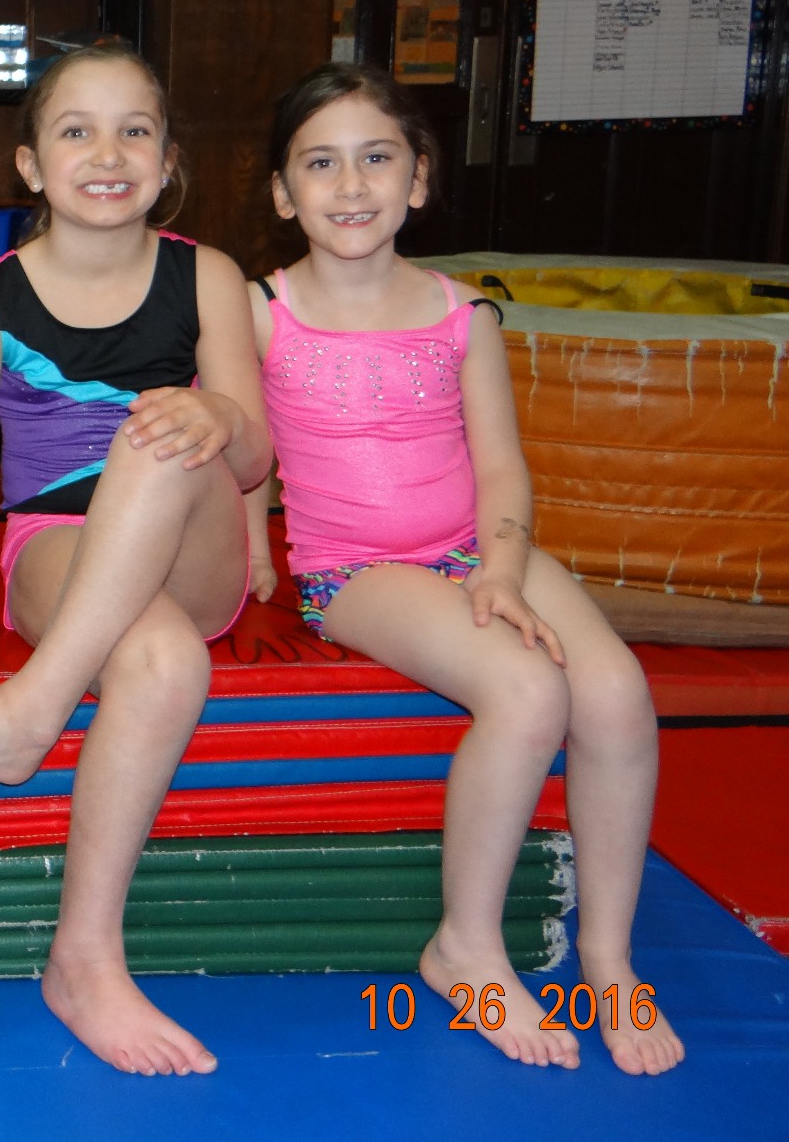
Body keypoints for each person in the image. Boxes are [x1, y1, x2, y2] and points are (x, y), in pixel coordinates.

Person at [242, 63, 683, 1076]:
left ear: (419, 178)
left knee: (617, 694)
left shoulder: (462, 314)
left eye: (375, 158)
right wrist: (248, 553)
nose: (351, 185)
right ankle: (464, 947)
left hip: (477, 546)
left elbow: (501, 468)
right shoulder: (262, 310)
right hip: (355, 570)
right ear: (282, 193)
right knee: (527, 692)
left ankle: (609, 957)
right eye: (320, 163)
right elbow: (238, 443)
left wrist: (501, 570)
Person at [0, 45, 270, 1078]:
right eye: (76, 131)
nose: (108, 154)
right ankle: (82, 960)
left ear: (167, 158)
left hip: (192, 541)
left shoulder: (207, 275)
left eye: (134, 131)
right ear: (29, 165)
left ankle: (29, 713)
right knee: (164, 665)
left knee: (155, 432)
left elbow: (253, 459)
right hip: (55, 545)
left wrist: (219, 416)